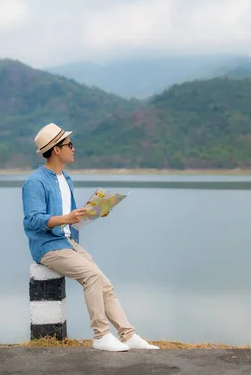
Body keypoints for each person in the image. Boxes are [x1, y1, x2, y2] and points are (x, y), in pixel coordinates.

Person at [21, 122, 159, 352]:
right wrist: (66, 218)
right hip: (47, 247)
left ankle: (128, 335)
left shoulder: (66, 179)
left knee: (105, 285)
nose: (73, 148)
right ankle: (101, 335)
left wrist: (94, 213)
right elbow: (32, 220)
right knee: (92, 277)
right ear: (56, 149)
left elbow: (72, 219)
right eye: (70, 144)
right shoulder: (35, 182)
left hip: (68, 242)